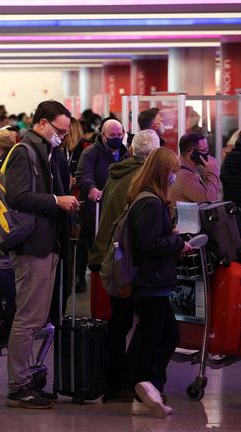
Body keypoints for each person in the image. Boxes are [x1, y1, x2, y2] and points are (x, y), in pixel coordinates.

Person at [4, 100, 79, 409]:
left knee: (35, 318)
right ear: (42, 123)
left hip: (48, 243)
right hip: (32, 245)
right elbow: (18, 196)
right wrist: (55, 200)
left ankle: (24, 380)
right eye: (59, 130)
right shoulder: (24, 152)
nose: (63, 135)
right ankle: (17, 385)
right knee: (27, 318)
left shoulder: (49, 152)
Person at [87, 129, 160, 402]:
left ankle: (114, 382)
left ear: (130, 150)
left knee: (118, 322)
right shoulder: (143, 180)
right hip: (126, 261)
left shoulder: (114, 174)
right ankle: (129, 380)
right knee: (147, 321)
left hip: (108, 255)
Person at [127, 147, 192, 418]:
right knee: (159, 336)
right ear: (163, 172)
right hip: (151, 280)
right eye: (173, 171)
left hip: (151, 280)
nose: (175, 176)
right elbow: (148, 243)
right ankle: (146, 388)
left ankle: (148, 388)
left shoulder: (144, 198)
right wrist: (177, 241)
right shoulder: (152, 203)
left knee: (161, 334)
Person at [74, 119, 129, 293]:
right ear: (103, 136)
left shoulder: (125, 153)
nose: (117, 138)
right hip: (93, 208)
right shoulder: (91, 152)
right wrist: (91, 188)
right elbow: (83, 174)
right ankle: (80, 276)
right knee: (89, 243)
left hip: (116, 207)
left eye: (119, 135)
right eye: (112, 135)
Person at [169, 133, 220, 203]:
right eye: (204, 150)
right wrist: (212, 170)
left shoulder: (185, 168)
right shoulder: (185, 176)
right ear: (193, 153)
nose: (207, 154)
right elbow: (209, 199)